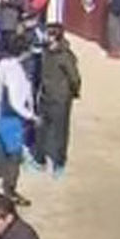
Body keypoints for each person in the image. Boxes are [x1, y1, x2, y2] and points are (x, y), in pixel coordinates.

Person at [0, 36, 37, 207]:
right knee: (14, 155)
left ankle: (7, 186)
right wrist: (32, 117)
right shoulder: (14, 70)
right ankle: (9, 191)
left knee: (6, 153)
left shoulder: (3, 64)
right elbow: (14, 102)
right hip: (9, 117)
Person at [33, 24, 82, 177]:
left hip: (60, 99)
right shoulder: (45, 51)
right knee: (41, 129)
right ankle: (40, 160)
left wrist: (72, 93)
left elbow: (74, 78)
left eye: (48, 34)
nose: (45, 37)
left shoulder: (65, 56)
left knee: (60, 132)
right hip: (45, 96)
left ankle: (59, 163)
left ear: (55, 37)